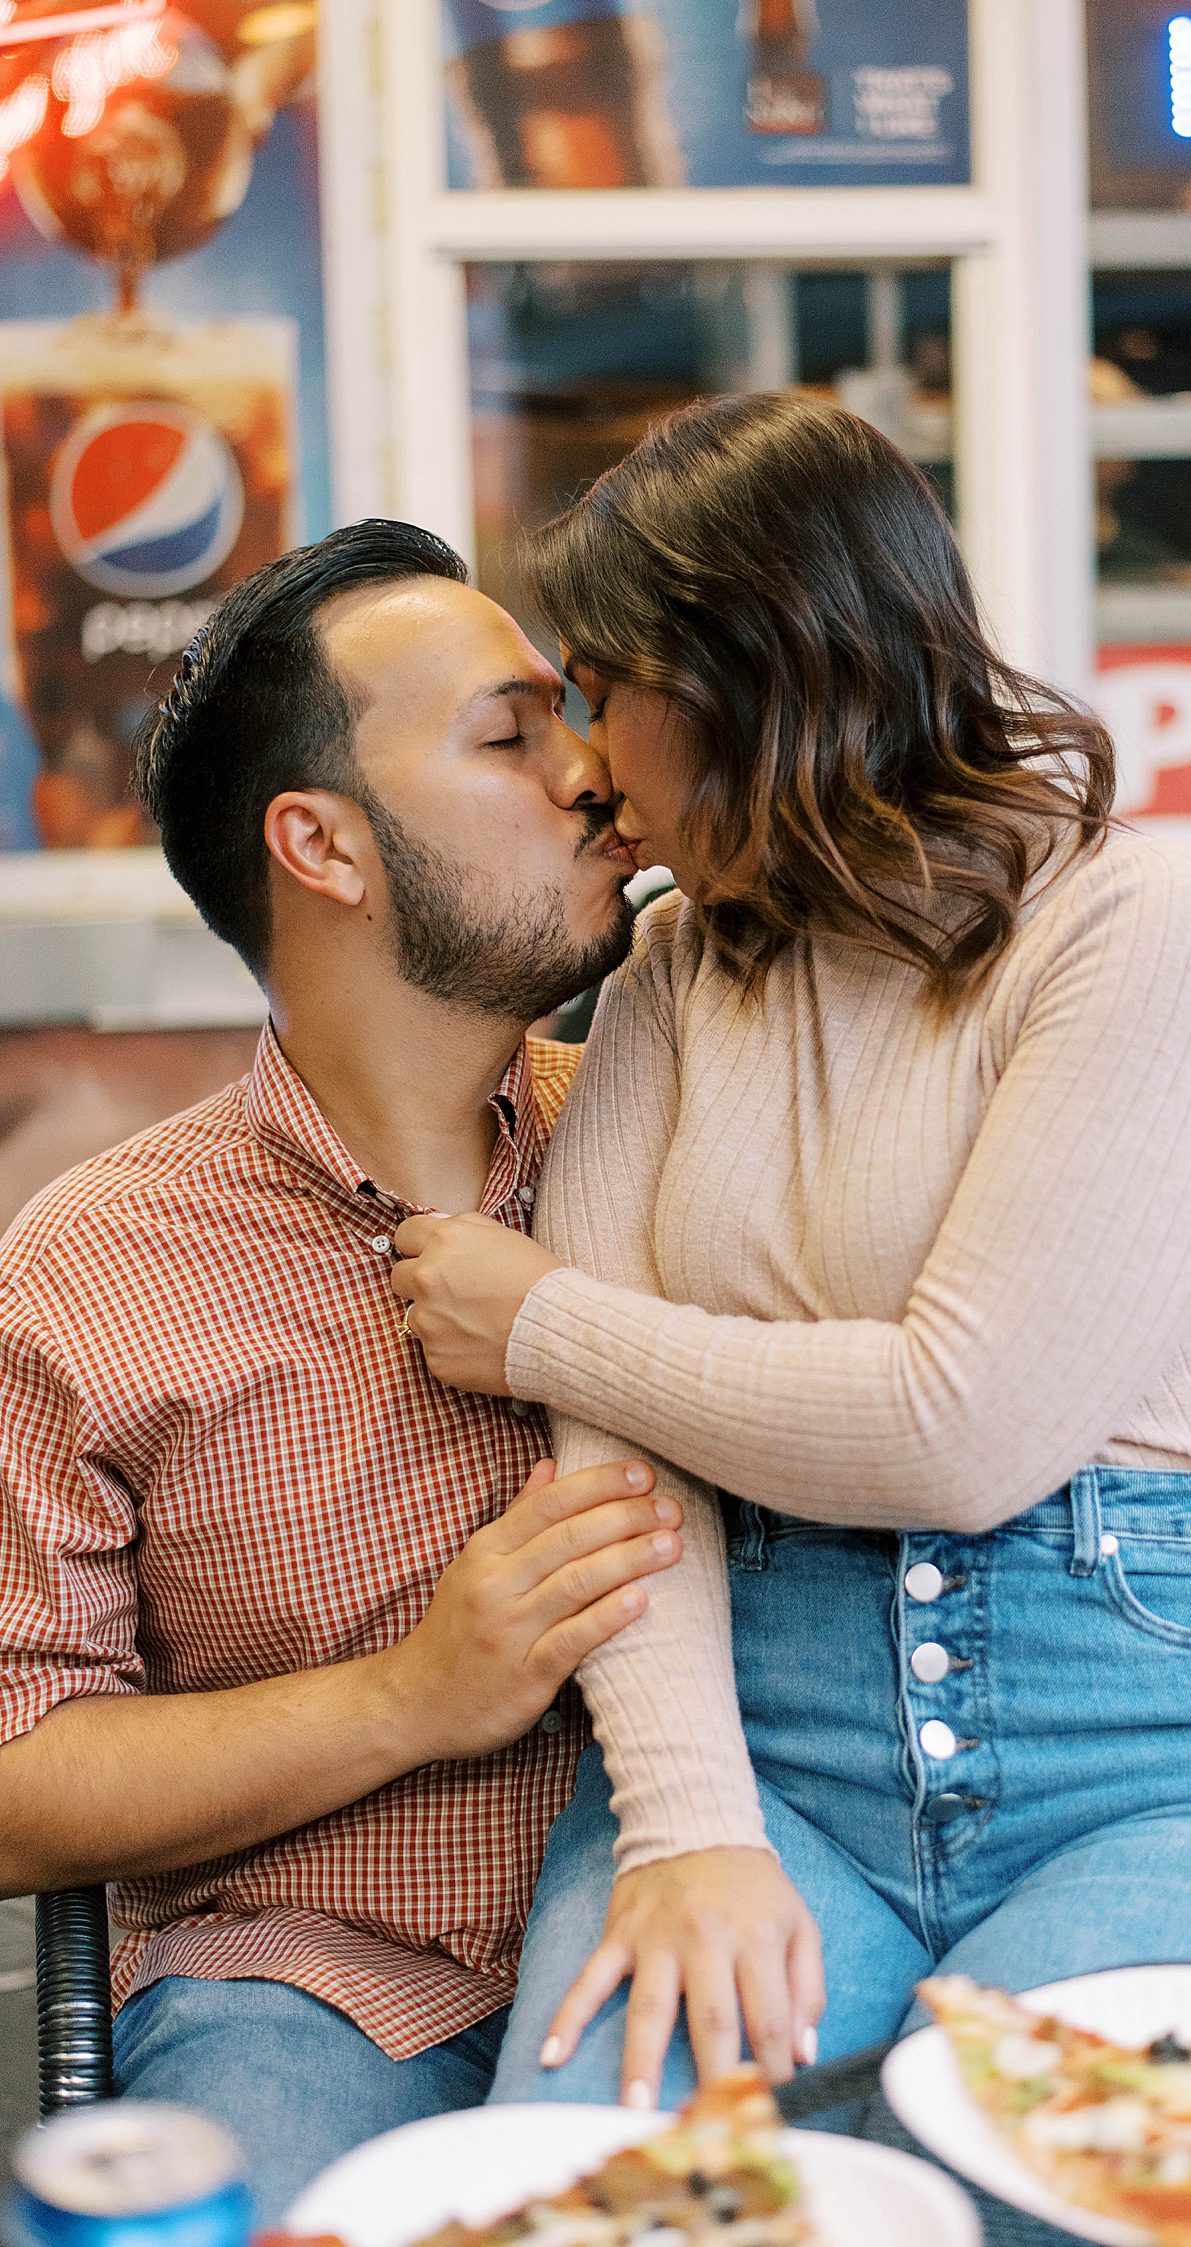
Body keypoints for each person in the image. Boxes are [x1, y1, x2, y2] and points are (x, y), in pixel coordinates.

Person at [386, 397, 1191, 2152]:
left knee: (1032, 2181)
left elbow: (963, 1425)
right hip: (771, 1731)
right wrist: (693, 1825)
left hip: (1157, 1730)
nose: (583, 760)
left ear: (743, 672)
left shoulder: (1152, 931)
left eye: (598, 686)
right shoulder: (667, 984)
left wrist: (549, 1321)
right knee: (586, 2178)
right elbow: (618, 1473)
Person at [0, 521, 679, 2224]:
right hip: (309, 1986)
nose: (596, 777)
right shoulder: (89, 1272)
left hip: (711, 1916)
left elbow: (963, 1404)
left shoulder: (682, 1137)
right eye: (512, 736)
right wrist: (409, 1695)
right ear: (324, 845)